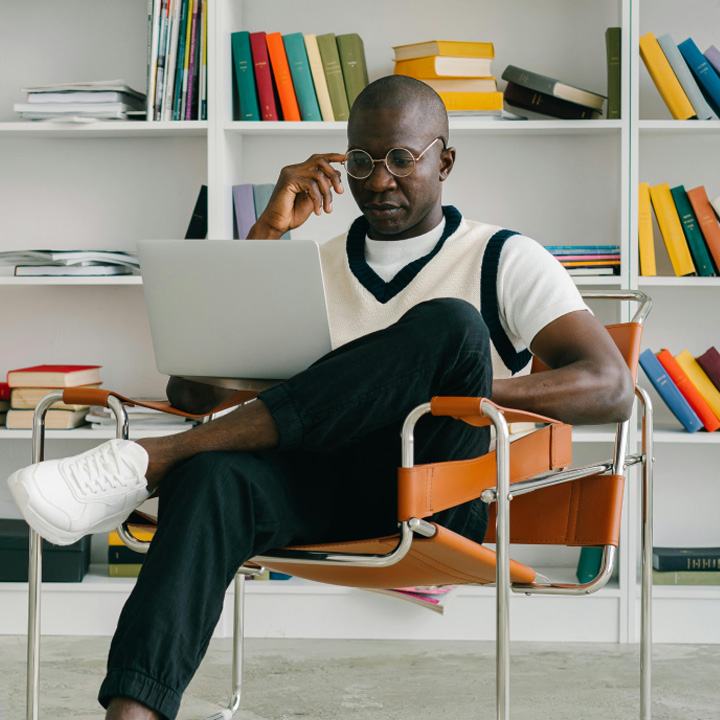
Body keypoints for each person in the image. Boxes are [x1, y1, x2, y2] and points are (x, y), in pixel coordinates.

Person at [7, 75, 634, 720]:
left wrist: (435, 392)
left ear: (445, 160)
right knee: (216, 476)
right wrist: (266, 238)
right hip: (324, 487)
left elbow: (610, 387)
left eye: (402, 158)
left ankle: (150, 460)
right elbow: (196, 387)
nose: (380, 179)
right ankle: (132, 714)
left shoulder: (504, 256)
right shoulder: (313, 264)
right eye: (362, 161)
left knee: (451, 324)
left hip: (441, 488)